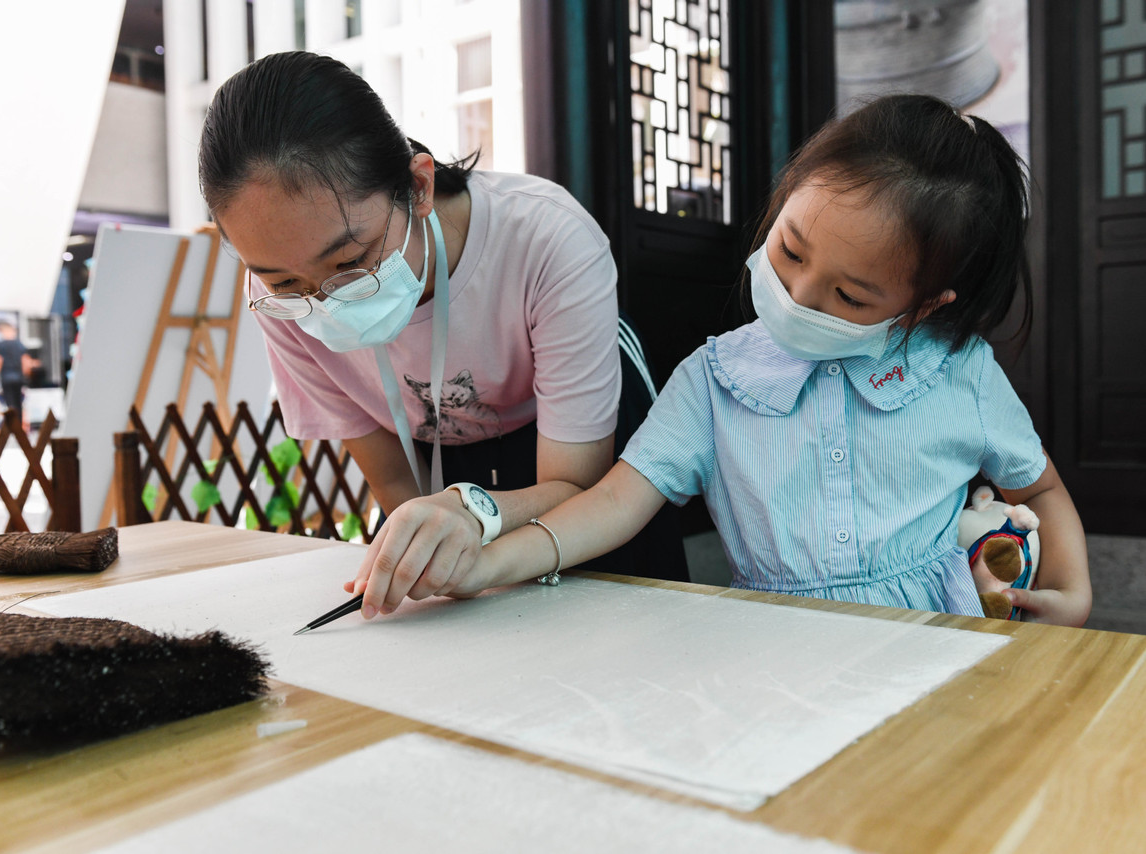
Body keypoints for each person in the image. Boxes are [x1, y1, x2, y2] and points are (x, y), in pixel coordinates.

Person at [357, 93, 1092, 627]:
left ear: (923, 306)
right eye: (790, 250)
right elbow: (613, 502)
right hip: (770, 651)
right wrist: (490, 562)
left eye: (850, 296)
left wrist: (1073, 592)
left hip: (943, 648)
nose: (799, 294)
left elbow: (1041, 488)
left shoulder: (958, 370)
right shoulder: (714, 380)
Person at [199, 51, 686, 607]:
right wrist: (430, 552)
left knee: (617, 605)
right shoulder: (278, 304)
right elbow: (397, 487)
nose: (323, 301)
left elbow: (578, 485)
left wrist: (471, 512)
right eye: (285, 280)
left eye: (350, 261)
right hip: (440, 456)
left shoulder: (547, 239)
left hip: (575, 451)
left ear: (419, 187)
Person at [0, 321, 36, 421]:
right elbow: (26, 362)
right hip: (18, 378)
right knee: (18, 403)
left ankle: (12, 424)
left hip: (6, 378)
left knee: (10, 403)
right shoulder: (19, 344)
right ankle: (18, 423)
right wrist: (27, 376)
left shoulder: (1, 345)